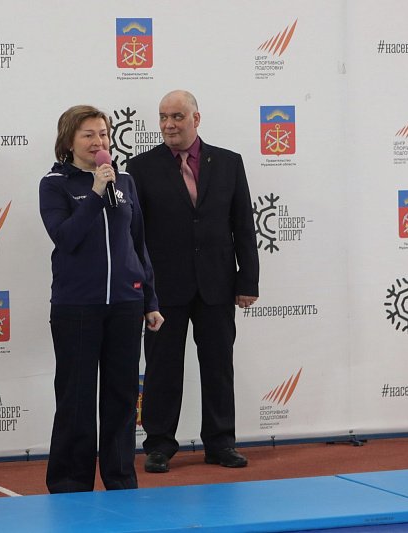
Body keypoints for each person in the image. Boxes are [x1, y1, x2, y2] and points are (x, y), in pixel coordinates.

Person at [125, 90, 259, 473]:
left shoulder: (229, 163)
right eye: (163, 117)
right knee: (162, 367)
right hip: (163, 288)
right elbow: (134, 234)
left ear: (196, 119)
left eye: (177, 116)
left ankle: (221, 443)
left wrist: (247, 280)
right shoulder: (140, 167)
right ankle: (158, 445)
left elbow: (243, 225)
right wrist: (140, 287)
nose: (169, 124)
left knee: (218, 366)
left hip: (217, 283)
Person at [39, 105, 164, 493]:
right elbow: (66, 237)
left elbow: (138, 243)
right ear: (69, 141)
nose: (99, 142)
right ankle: (70, 483)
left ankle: (121, 477)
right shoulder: (54, 184)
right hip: (77, 306)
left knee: (122, 398)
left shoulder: (124, 181)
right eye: (88, 134)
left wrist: (150, 300)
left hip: (126, 304)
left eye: (104, 134)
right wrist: (94, 192)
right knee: (76, 399)